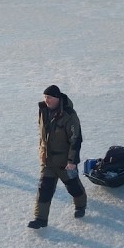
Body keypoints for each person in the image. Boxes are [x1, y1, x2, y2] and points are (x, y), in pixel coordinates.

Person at [28, 84, 86, 228]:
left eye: (49, 97)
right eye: (45, 97)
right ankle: (40, 219)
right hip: (47, 161)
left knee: (73, 187)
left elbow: (76, 139)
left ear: (57, 98)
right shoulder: (43, 111)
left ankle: (80, 205)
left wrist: (72, 161)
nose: (46, 100)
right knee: (44, 189)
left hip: (65, 162)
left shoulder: (69, 115)